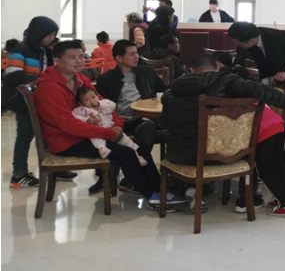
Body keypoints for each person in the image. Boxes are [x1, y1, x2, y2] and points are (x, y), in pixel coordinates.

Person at [35, 40, 186, 210]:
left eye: (81, 56)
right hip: (67, 141)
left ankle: (160, 190)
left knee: (140, 147)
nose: (79, 61)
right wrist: (109, 134)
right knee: (126, 153)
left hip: (90, 135)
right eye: (72, 58)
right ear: (58, 61)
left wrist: (118, 126)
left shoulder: (79, 79)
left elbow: (103, 105)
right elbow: (68, 124)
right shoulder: (49, 88)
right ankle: (152, 196)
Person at [161, 53, 285, 213]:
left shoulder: (171, 91)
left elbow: (165, 123)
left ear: (190, 70)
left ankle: (182, 190)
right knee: (262, 160)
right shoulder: (226, 82)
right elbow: (259, 89)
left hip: (180, 157)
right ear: (216, 68)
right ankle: (251, 198)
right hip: (222, 155)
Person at [229, 22, 285, 173]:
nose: (237, 45)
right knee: (275, 117)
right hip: (278, 74)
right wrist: (266, 91)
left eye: (239, 43)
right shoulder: (251, 43)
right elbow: (263, 66)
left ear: (252, 40)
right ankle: (275, 158)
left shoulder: (276, 37)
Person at [2, 16, 76, 187]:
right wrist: (41, 78)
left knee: (49, 132)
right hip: (19, 99)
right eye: (48, 35)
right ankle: (19, 175)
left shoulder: (44, 50)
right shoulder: (21, 50)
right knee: (25, 134)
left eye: (53, 35)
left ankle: (54, 167)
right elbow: (12, 75)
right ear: (37, 33)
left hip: (37, 97)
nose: (51, 38)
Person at [94, 40, 166, 194]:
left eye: (136, 53)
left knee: (147, 127)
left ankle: (132, 176)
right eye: (132, 54)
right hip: (117, 120)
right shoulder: (106, 79)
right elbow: (99, 106)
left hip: (143, 117)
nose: (136, 57)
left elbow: (165, 92)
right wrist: (116, 118)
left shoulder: (147, 72)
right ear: (119, 58)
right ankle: (131, 176)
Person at [72, 87, 146, 165]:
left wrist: (99, 105)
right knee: (95, 138)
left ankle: (138, 156)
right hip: (97, 130)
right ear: (80, 103)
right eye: (87, 100)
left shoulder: (103, 103)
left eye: (93, 97)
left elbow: (113, 106)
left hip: (111, 127)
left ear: (97, 96)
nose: (92, 101)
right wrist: (86, 119)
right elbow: (74, 116)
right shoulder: (81, 109)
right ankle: (102, 149)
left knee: (126, 141)